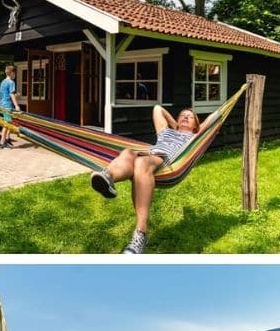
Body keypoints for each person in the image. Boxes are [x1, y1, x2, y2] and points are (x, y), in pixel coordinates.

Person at [89, 104, 208, 254]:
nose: (185, 117)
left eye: (190, 117)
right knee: (128, 152)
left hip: (167, 162)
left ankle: (141, 233)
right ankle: (108, 177)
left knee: (141, 162)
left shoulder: (194, 137)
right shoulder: (166, 131)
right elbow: (157, 108)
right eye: (182, 115)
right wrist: (174, 125)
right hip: (149, 155)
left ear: (196, 127)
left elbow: (213, 120)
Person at [0, 65, 21, 149]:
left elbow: (0, 93)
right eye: (15, 73)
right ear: (12, 73)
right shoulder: (11, 82)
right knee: (7, 124)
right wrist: (16, 105)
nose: (15, 75)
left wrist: (14, 95)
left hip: (2, 104)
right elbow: (11, 94)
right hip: (7, 105)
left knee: (9, 122)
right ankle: (2, 143)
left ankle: (7, 139)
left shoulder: (3, 81)